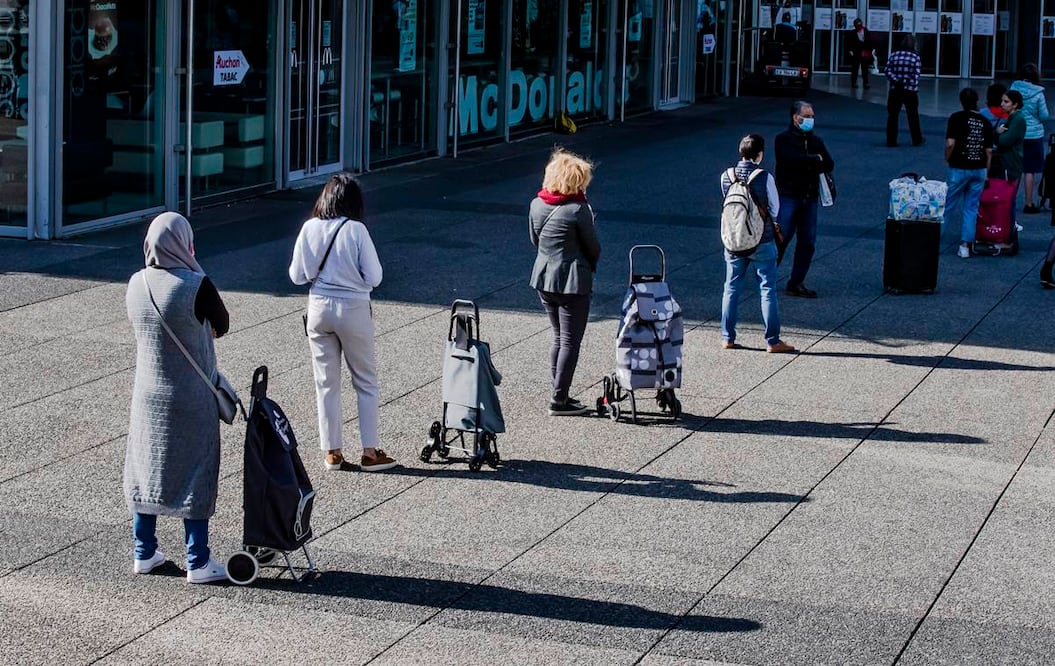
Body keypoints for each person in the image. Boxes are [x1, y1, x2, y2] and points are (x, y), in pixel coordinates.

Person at [124, 212, 230, 584]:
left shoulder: (135, 283)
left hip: (148, 396)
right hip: (191, 396)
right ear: (185, 243)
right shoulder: (197, 284)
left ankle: (144, 552)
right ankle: (198, 560)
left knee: (147, 469)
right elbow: (223, 325)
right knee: (196, 469)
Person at [288, 173, 397, 472]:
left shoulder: (309, 228)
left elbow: (296, 276)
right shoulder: (356, 231)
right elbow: (375, 277)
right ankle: (370, 453)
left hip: (319, 309)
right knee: (365, 381)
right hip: (354, 309)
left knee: (326, 383)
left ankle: (332, 452)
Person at [529, 149, 601, 416]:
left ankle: (559, 393)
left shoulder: (536, 204)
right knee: (571, 341)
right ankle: (559, 400)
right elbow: (593, 247)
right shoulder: (577, 210)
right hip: (573, 280)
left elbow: (534, 240)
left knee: (559, 337)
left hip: (544, 277)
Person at [719, 134, 795, 354]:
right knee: (767, 288)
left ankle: (727, 337)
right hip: (762, 241)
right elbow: (774, 209)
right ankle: (773, 341)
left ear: (740, 152)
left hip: (733, 240)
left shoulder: (726, 176)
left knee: (731, 287)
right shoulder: (764, 177)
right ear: (759, 154)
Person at [774, 100, 835, 299]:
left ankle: (796, 282)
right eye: (807, 116)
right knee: (781, 238)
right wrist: (813, 160)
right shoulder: (783, 139)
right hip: (788, 195)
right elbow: (790, 161)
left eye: (812, 116)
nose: (810, 120)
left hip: (809, 197)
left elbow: (828, 163)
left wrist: (812, 160)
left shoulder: (816, 140)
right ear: (795, 117)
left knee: (807, 241)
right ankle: (766, 277)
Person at [945, 88, 994, 259]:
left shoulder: (956, 118)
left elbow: (951, 143)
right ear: (977, 101)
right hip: (979, 169)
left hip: (958, 166)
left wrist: (948, 158)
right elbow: (989, 151)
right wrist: (986, 172)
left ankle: (934, 240)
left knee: (947, 205)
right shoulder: (985, 122)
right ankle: (965, 246)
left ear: (961, 101)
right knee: (971, 207)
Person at [1009, 64, 1050, 213]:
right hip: (1034, 135)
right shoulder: (1038, 93)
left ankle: (1009, 200)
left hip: (1017, 133)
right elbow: (1044, 115)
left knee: (1016, 169)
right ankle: (1028, 202)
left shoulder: (1013, 89)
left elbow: (1007, 109)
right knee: (1030, 170)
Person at [992, 90, 1028, 231]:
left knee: (1009, 196)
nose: (1002, 104)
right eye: (1002, 100)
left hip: (1011, 162)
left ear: (1015, 104)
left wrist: (997, 135)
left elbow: (1005, 140)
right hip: (1009, 161)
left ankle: (1010, 223)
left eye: (1006, 101)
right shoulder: (1012, 118)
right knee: (1007, 196)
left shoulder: (1017, 119)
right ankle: (1008, 222)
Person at [885, 35, 925, 148]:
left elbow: (887, 70)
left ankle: (891, 140)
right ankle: (917, 139)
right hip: (910, 91)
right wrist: (906, 81)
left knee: (892, 116)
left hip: (895, 89)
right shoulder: (915, 57)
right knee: (913, 116)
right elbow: (916, 75)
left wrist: (897, 81)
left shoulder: (894, 55)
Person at [846, 18, 872, 89]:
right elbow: (849, 42)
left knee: (865, 69)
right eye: (857, 25)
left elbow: (870, 41)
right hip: (856, 53)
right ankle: (854, 82)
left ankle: (866, 83)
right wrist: (850, 51)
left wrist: (870, 50)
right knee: (855, 68)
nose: (858, 27)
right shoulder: (853, 33)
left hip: (865, 52)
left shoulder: (866, 31)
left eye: (859, 25)